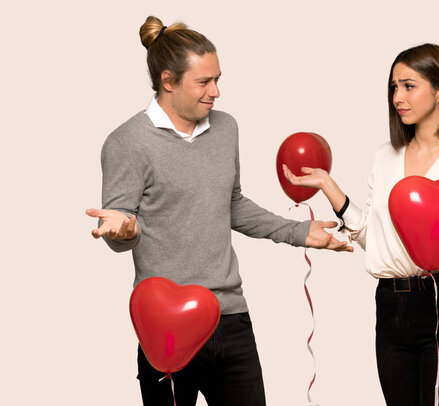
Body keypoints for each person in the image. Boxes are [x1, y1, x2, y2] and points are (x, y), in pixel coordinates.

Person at [86, 16, 352, 406]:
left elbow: (232, 204)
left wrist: (298, 232)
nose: (216, 92)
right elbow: (121, 229)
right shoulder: (127, 142)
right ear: (168, 81)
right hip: (165, 326)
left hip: (230, 318)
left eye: (218, 79)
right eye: (204, 82)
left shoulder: (225, 129)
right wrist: (124, 230)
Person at [283, 43, 439, 406]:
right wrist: (330, 187)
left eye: (409, 85)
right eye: (393, 87)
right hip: (390, 310)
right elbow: (375, 241)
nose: (397, 97)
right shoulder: (385, 156)